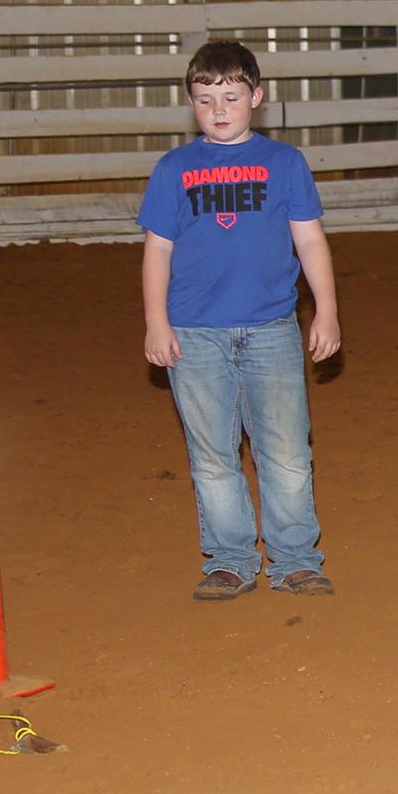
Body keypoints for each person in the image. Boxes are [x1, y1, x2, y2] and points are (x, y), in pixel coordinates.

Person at [139, 40, 340, 600]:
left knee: (285, 449)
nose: (219, 109)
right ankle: (229, 558)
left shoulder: (284, 163)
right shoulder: (174, 169)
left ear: (257, 96)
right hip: (195, 332)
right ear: (191, 104)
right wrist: (157, 321)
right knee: (212, 455)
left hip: (272, 328)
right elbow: (157, 249)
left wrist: (326, 308)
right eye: (205, 100)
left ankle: (296, 558)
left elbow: (309, 239)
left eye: (230, 97)